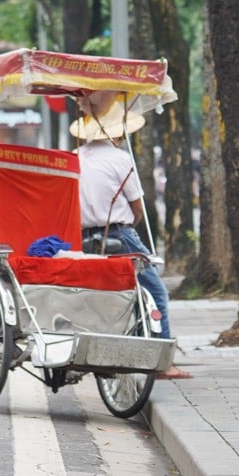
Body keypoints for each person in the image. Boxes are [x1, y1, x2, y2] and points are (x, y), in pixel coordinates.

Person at [72, 90, 191, 380]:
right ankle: (161, 362)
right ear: (115, 130)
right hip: (120, 237)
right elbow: (138, 209)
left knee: (103, 296)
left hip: (84, 239)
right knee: (156, 291)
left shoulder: (74, 157)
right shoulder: (120, 159)